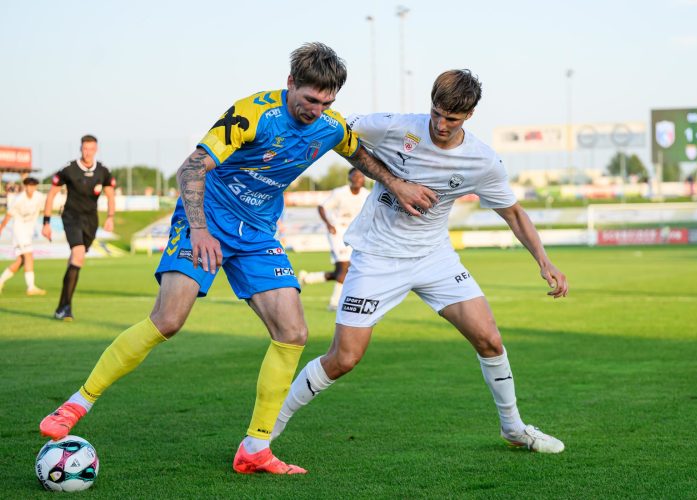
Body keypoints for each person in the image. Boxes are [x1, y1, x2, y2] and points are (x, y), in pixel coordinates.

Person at [38, 43, 437, 476]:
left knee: (293, 332)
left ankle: (255, 448)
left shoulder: (330, 125)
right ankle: (75, 404)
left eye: (326, 103)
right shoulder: (253, 114)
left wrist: (396, 184)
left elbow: (358, 154)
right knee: (169, 319)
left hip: (257, 233)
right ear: (290, 83)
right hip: (205, 217)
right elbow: (191, 169)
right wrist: (199, 230)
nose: (316, 110)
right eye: (309, 99)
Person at [271, 70, 569, 462]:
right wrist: (393, 180)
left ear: (470, 115)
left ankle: (513, 428)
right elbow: (336, 129)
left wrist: (544, 261)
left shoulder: (481, 161)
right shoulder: (395, 127)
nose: (441, 125)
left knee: (489, 339)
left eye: (452, 119)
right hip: (377, 256)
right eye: (437, 113)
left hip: (434, 257)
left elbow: (513, 212)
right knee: (343, 358)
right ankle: (267, 428)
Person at [42, 135, 116, 321]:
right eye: (85, 149)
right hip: (71, 217)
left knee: (75, 261)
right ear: (80, 149)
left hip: (91, 220)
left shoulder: (103, 171)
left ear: (96, 150)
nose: (88, 152)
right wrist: (46, 222)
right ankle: (66, 307)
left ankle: (60, 307)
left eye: (91, 149)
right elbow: (51, 194)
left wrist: (110, 217)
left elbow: (110, 194)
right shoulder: (69, 169)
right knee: (78, 255)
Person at [298, 167, 370, 310]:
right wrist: (329, 224)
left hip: (355, 234)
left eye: (361, 176)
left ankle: (308, 278)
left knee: (342, 272)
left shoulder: (367, 195)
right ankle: (334, 303)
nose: (358, 179)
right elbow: (321, 207)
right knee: (344, 268)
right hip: (338, 232)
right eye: (355, 176)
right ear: (349, 178)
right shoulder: (340, 193)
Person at [0, 177, 47, 295]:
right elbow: (8, 215)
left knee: (21, 261)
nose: (31, 188)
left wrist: (46, 224)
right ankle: (31, 287)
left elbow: (47, 207)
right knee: (29, 256)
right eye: (29, 186)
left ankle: (0, 281)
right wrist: (1, 229)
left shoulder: (39, 197)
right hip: (19, 231)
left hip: (28, 231)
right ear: (25, 186)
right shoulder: (19, 199)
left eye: (33, 186)